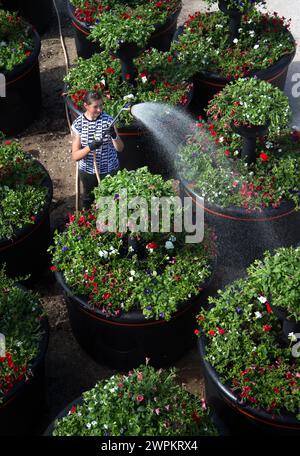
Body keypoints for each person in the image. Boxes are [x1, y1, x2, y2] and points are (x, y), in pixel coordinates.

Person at [71, 91, 124, 209]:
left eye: (101, 105)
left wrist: (114, 136)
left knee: (113, 199)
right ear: (86, 106)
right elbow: (75, 156)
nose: (99, 110)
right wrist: (90, 147)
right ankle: (88, 222)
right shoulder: (78, 125)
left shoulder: (108, 121)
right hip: (88, 171)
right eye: (95, 106)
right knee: (89, 199)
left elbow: (120, 148)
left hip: (109, 169)